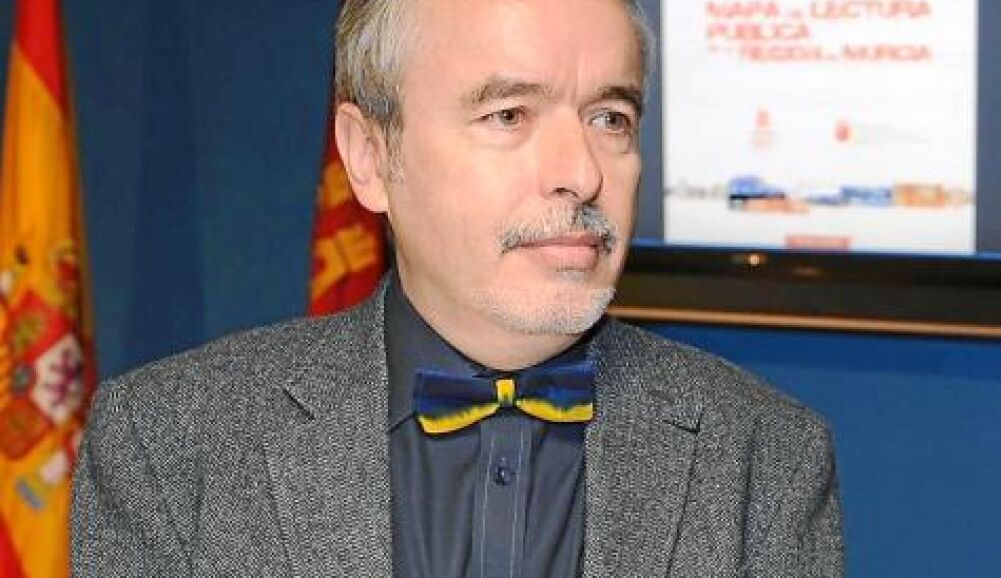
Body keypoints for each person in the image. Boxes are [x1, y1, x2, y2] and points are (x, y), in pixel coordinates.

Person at [71, 0, 843, 576]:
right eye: (508, 115)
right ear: (370, 156)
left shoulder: (766, 458)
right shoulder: (170, 443)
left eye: (610, 117)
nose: (580, 172)